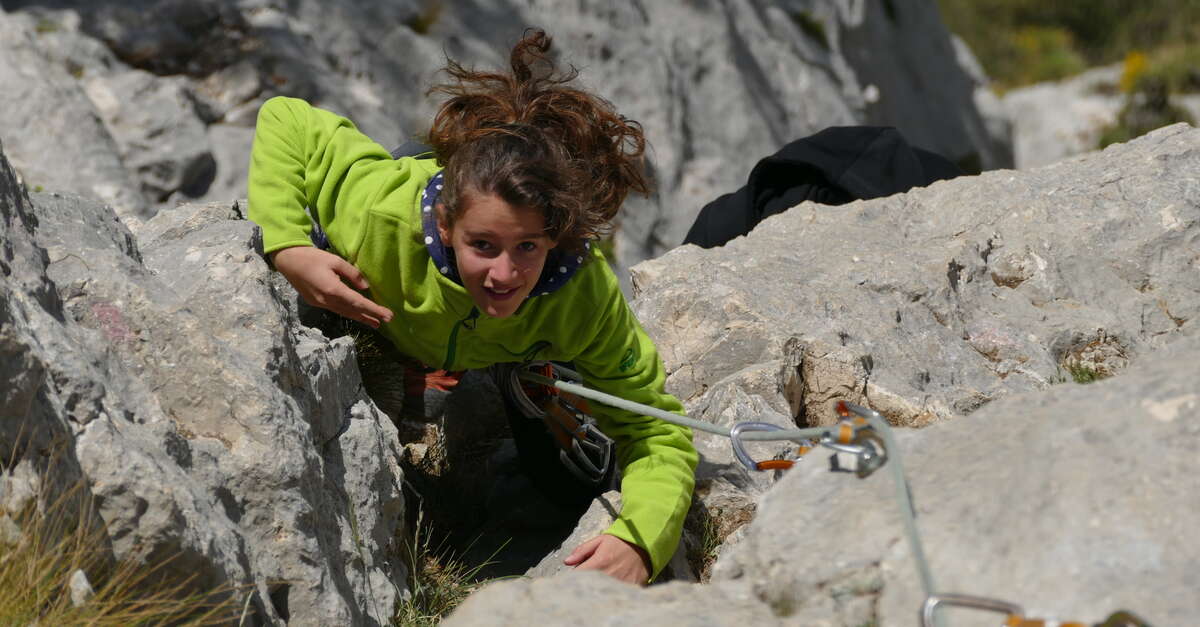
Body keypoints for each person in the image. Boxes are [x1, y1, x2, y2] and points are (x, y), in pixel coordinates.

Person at [246, 29, 697, 585]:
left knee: (570, 486)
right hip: (384, 297)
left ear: (555, 237)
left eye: (527, 247)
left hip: (500, 344)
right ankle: (417, 369)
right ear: (444, 225)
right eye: (483, 245)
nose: (505, 273)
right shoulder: (382, 217)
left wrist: (643, 539)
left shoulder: (582, 295)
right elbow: (288, 117)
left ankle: (524, 378)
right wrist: (289, 245)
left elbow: (656, 431)